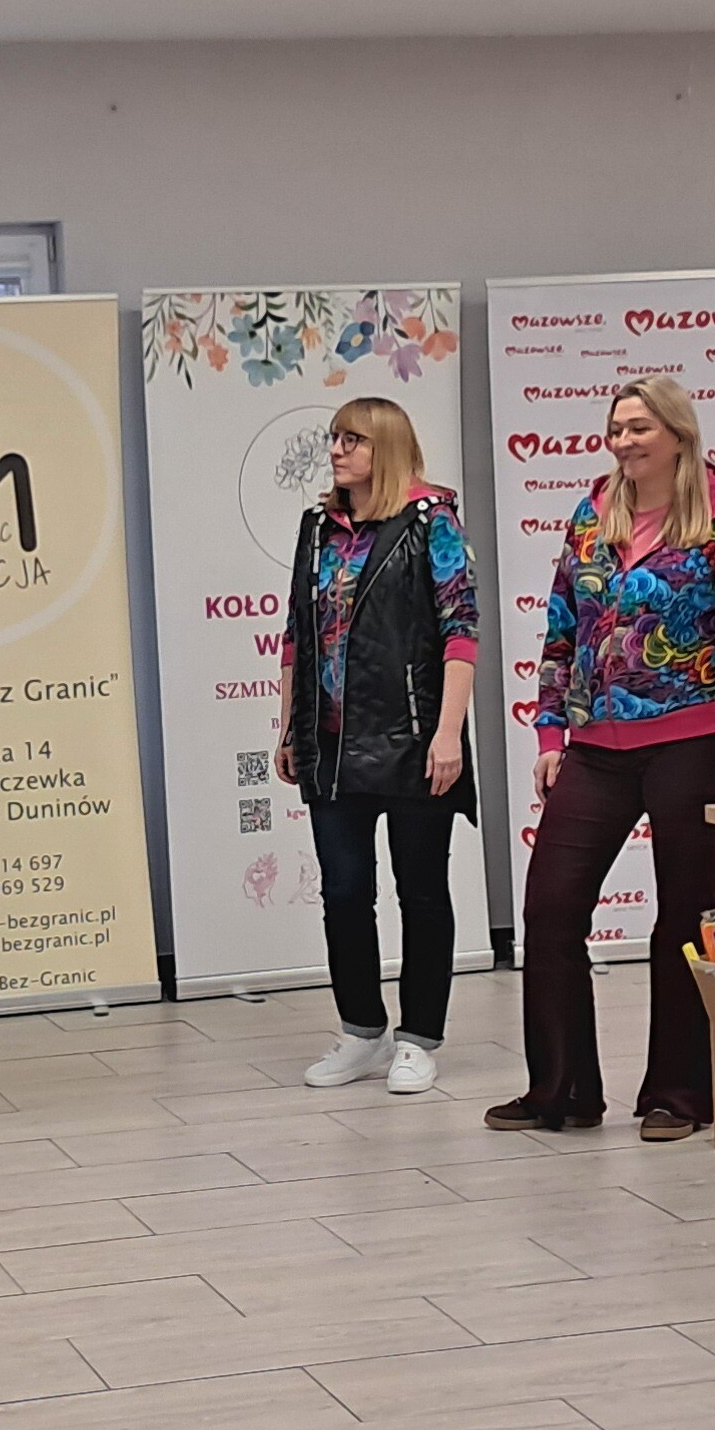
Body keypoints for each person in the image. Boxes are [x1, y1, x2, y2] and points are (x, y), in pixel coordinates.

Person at [499, 374, 715, 1140]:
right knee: (551, 910)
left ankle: (679, 1093)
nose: (624, 441)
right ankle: (562, 1090)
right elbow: (562, 626)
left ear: (677, 433)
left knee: (682, 918)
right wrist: (549, 731)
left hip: (693, 741)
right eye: (616, 429)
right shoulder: (592, 512)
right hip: (596, 747)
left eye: (639, 427)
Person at [279, 397, 479, 1099]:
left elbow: (461, 630)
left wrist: (448, 733)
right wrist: (288, 725)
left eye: (353, 440)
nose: (337, 450)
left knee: (420, 891)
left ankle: (419, 1039)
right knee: (343, 893)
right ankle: (362, 1031)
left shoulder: (431, 522)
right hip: (331, 741)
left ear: (386, 447)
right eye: (334, 438)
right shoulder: (317, 528)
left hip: (415, 738)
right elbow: (297, 634)